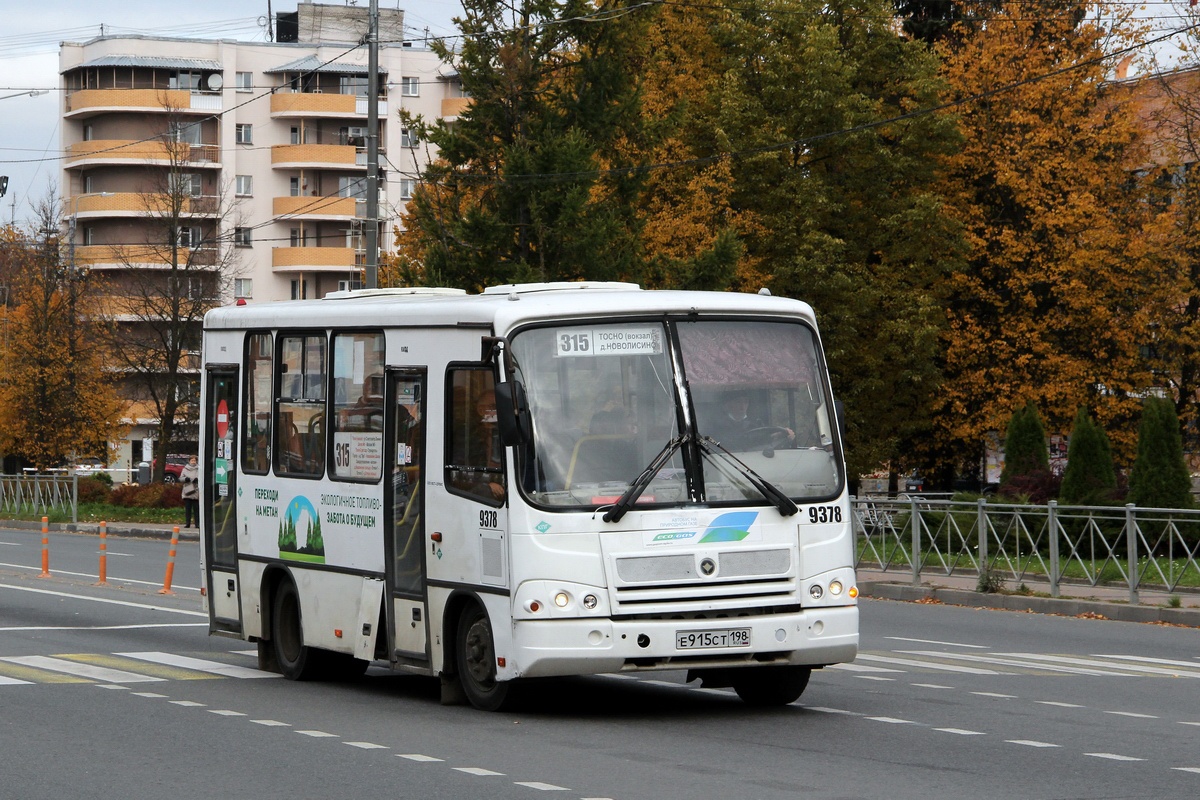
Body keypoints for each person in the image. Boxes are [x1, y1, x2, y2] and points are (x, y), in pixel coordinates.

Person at [180, 455, 200, 528]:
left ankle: (197, 523)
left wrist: (197, 479)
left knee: (196, 509)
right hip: (187, 491)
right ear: (189, 461)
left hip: (196, 490)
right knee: (188, 509)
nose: (193, 462)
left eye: (194, 460)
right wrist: (185, 479)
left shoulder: (199, 469)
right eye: (192, 460)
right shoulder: (185, 469)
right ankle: (187, 523)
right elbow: (180, 478)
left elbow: (201, 477)